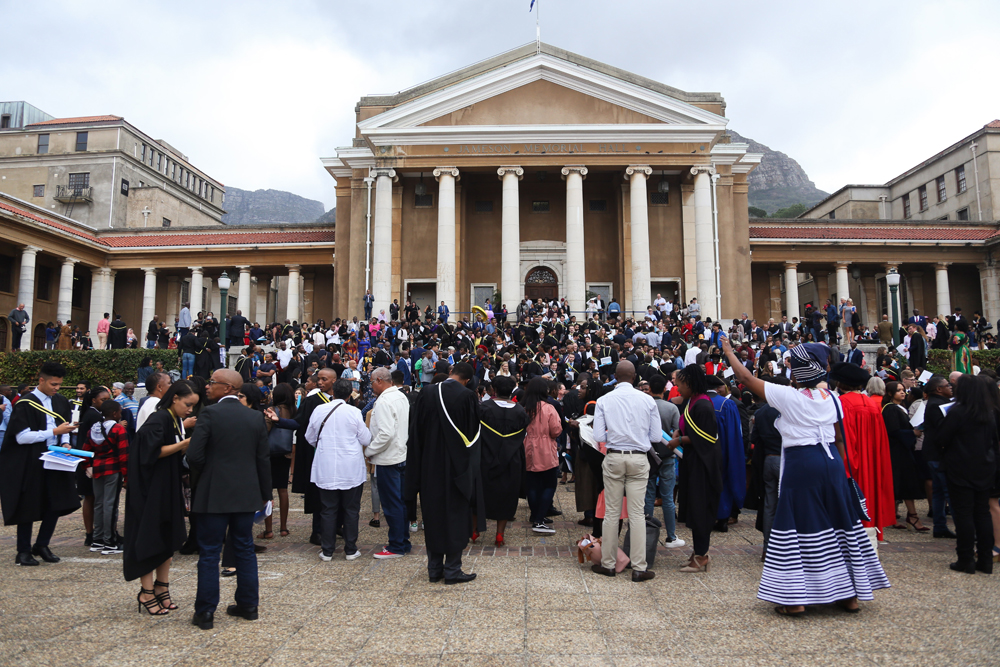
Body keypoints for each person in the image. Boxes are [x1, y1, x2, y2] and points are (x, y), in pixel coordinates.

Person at [721, 338, 890, 616]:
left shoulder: (789, 397)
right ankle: (850, 597)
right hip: (833, 463)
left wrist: (729, 350)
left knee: (796, 527)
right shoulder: (833, 398)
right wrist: (839, 472)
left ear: (797, 372)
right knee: (840, 523)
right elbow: (838, 438)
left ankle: (794, 599)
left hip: (802, 463)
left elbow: (744, 377)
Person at [187, 369, 271, 630]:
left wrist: (203, 478)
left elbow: (194, 456)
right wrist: (264, 495)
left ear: (227, 388)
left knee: (210, 552)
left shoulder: (209, 414)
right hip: (246, 493)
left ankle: (205, 611)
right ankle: (248, 605)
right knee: (244, 548)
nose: (207, 386)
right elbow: (262, 460)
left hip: (214, 493)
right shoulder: (255, 417)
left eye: (212, 382)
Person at [123, 380, 198, 615]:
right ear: (174, 398)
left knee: (167, 535)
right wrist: (185, 444)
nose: (190, 410)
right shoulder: (159, 419)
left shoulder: (173, 419)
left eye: (193, 406)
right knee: (149, 538)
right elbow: (150, 452)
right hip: (150, 490)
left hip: (167, 485)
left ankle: (161, 586)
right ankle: (146, 591)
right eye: (187, 404)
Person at [405, 362, 483, 584]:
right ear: (467, 380)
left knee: (433, 515)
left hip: (428, 464)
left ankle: (434, 569)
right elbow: (472, 437)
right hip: (455, 467)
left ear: (451, 373)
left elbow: (416, 431)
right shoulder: (467, 396)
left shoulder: (426, 392)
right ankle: (452, 569)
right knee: (456, 516)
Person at [0, 362, 80, 566]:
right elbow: (22, 437)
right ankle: (23, 551)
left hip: (56, 458)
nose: (57, 388)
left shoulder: (60, 401)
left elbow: (66, 428)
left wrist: (65, 442)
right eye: (53, 384)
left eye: (60, 384)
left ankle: (42, 544)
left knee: (56, 502)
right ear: (41, 380)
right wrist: (54, 433)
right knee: (28, 504)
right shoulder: (26, 403)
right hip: (31, 460)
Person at [589, 361, 659, 581]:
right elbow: (656, 437)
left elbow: (599, 436)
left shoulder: (604, 400)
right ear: (635, 376)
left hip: (614, 456)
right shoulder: (647, 400)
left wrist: (618, 437)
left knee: (611, 513)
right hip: (638, 458)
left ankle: (609, 564)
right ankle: (639, 567)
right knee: (637, 514)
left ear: (615, 377)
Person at [663, 363, 722, 574]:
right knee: (694, 508)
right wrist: (679, 433)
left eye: (680, 385)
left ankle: (702, 556)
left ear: (690, 383)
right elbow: (688, 426)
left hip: (703, 465)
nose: (678, 389)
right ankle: (697, 552)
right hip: (693, 461)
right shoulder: (693, 402)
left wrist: (679, 441)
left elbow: (707, 438)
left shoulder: (703, 405)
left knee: (701, 509)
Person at [939, 375, 999, 574]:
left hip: (961, 467)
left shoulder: (957, 412)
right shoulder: (988, 413)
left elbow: (943, 438)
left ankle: (965, 558)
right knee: (982, 513)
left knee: (964, 514)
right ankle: (985, 560)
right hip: (984, 466)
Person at [307, 378, 370, 561]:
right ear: (350, 394)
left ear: (333, 392)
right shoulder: (354, 412)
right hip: (350, 467)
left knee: (328, 509)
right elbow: (365, 438)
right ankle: (350, 549)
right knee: (351, 509)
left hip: (326, 466)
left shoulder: (319, 410)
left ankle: (327, 550)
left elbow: (310, 437)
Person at [833, 363, 896, 540]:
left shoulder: (841, 404)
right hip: (872, 462)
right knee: (869, 496)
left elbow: (843, 440)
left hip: (852, 464)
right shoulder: (872, 405)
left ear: (840, 384)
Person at [478, 375, 530, 547]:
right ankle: (499, 534)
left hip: (485, 457)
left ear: (493, 390)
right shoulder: (520, 411)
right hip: (511, 459)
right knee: (506, 495)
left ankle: (474, 530)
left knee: (479, 492)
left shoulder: (483, 408)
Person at [366, 367, 411, 559]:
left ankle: (396, 545)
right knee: (400, 503)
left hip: (388, 458)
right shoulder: (401, 396)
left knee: (392, 504)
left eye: (371, 382)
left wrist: (369, 450)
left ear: (378, 380)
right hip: (400, 454)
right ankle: (403, 541)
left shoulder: (384, 400)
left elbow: (385, 433)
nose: (371, 386)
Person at [294, 369, 337, 545]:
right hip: (317, 453)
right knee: (319, 493)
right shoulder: (312, 401)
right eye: (318, 379)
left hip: (338, 452)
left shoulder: (345, 399)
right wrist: (278, 421)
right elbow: (300, 423)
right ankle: (317, 530)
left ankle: (337, 525)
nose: (319, 383)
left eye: (324, 379)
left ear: (334, 381)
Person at [881, 381, 929, 533]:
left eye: (903, 390)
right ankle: (911, 516)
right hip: (897, 451)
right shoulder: (890, 410)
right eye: (898, 391)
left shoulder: (901, 408)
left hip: (903, 450)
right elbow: (893, 431)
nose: (902, 393)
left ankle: (898, 515)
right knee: (903, 482)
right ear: (890, 393)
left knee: (901, 482)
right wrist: (912, 433)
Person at [521, 376, 563, 536]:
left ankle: (535, 514)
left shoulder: (525, 407)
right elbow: (556, 430)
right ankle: (539, 518)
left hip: (528, 446)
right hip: (545, 448)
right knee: (549, 484)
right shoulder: (548, 408)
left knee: (531, 484)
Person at [645, 373, 683, 548]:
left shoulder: (645, 406)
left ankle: (646, 533)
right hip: (668, 455)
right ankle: (671, 536)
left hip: (649, 455)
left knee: (648, 495)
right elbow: (677, 431)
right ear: (665, 389)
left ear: (650, 388)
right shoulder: (671, 408)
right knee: (668, 498)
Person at [88, 400, 128, 555]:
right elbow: (124, 455)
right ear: (114, 413)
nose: (121, 414)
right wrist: (126, 476)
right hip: (113, 469)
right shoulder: (118, 429)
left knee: (99, 504)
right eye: (119, 411)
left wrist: (88, 466)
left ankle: (97, 540)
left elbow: (87, 448)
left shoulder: (94, 428)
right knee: (110, 505)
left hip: (97, 468)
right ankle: (110, 541)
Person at [706, 376, 745, 532]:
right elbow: (734, 433)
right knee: (724, 482)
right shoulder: (727, 405)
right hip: (723, 450)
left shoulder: (694, 403)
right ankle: (722, 517)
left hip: (702, 453)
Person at [921, 375, 958, 539]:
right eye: (947, 385)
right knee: (949, 492)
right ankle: (961, 527)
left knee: (939, 493)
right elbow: (944, 430)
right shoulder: (938, 405)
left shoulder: (935, 403)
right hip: (939, 455)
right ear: (939, 389)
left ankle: (940, 526)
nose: (950, 387)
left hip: (933, 453)